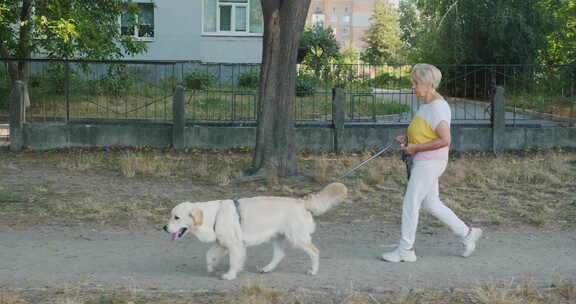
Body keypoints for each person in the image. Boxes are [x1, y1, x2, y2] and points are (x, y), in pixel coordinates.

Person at [381, 63, 482, 263]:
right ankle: (467, 233)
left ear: (429, 84)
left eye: (416, 83)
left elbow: (445, 140)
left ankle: (405, 250)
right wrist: (409, 140)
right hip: (426, 160)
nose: (412, 86)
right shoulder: (426, 104)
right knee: (431, 203)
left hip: (430, 162)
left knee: (411, 203)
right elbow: (426, 132)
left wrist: (416, 148)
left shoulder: (437, 107)